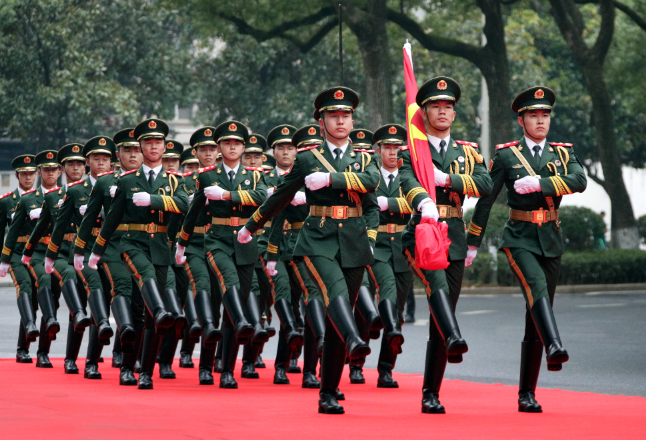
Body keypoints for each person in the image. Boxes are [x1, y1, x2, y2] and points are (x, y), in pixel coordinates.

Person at [237, 86, 380, 414]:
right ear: (321, 122)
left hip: (355, 241)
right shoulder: (306, 158)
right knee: (335, 293)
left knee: (336, 318)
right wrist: (251, 226)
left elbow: (371, 183)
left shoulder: (364, 157)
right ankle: (356, 341)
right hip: (317, 239)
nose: (341, 121)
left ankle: (327, 391)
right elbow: (281, 196)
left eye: (346, 115)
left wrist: (331, 181)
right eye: (334, 115)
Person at [467, 86, 587, 412]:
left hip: (550, 239)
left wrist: (541, 184)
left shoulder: (563, 153)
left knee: (535, 313)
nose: (540, 121)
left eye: (545, 115)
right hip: (518, 239)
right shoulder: (507, 155)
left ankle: (526, 393)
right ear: (521, 120)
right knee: (537, 291)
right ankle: (555, 345)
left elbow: (579, 181)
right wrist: (473, 242)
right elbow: (486, 200)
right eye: (533, 115)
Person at [400, 77, 493, 413]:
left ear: (454, 114)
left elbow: (485, 184)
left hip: (452, 234)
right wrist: (424, 199)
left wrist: (448, 180)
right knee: (436, 287)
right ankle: (455, 337)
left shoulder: (467, 152)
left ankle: (431, 392)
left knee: (444, 311)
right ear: (423, 113)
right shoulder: (411, 150)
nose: (442, 112)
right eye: (435, 106)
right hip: (421, 232)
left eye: (447, 107)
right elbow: (406, 183)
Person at [87, 118, 188, 389]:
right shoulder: (127, 180)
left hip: (161, 247)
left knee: (142, 316)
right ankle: (159, 312)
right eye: (148, 142)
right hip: (131, 244)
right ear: (140, 147)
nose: (153, 147)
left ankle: (142, 371)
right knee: (148, 288)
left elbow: (184, 205)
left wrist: (155, 200)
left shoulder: (175, 181)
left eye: (158, 142)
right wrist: (96, 251)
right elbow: (112, 217)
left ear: (165, 147)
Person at [176, 120, 265, 389]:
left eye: (237, 143)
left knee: (226, 308)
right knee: (225, 293)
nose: (233, 147)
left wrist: (226, 195)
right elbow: (194, 213)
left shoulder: (254, 175)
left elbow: (261, 198)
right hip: (217, 242)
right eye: (227, 143)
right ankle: (206, 365)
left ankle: (226, 369)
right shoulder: (207, 176)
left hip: (246, 243)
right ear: (220, 147)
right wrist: (183, 242)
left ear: (243, 146)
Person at [2, 150, 91, 368]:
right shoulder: (24, 199)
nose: (50, 173)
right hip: (32, 253)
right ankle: (25, 347)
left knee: (58, 301)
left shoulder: (67, 195)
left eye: (54, 169)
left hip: (60, 251)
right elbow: (10, 233)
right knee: (34, 297)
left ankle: (47, 351)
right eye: (46, 170)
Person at [74, 128, 145, 386]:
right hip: (111, 248)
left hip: (143, 250)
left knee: (139, 308)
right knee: (109, 298)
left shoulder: (152, 181)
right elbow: (90, 219)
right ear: (119, 154)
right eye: (128, 150)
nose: (133, 155)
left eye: (137, 149)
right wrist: (80, 250)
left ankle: (128, 363)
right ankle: (92, 362)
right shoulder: (106, 182)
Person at [23, 143, 101, 375]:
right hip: (60, 257)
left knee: (92, 308)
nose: (75, 168)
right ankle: (46, 353)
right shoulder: (55, 196)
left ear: (85, 165)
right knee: (55, 305)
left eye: (79, 163)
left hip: (86, 254)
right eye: (70, 164)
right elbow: (39, 231)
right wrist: (27, 253)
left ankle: (83, 361)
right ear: (63, 168)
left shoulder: (97, 193)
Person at [263, 123, 329, 388]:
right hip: (281, 245)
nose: (287, 152)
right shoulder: (275, 177)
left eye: (293, 148)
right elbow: (275, 217)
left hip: (310, 245)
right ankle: (282, 363)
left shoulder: (324, 173)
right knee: (287, 301)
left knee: (314, 307)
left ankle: (310, 369)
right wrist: (271, 253)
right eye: (283, 148)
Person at [354, 124, 416, 388]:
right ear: (377, 151)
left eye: (397, 147)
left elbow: (418, 202)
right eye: (387, 147)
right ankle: (356, 364)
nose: (393, 152)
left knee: (398, 311)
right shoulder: (370, 175)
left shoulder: (408, 177)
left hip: (402, 246)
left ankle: (386, 369)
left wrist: (387, 204)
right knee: (385, 291)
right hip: (375, 244)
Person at [175, 127, 226, 385]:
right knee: (202, 286)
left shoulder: (224, 178)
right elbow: (182, 206)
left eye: (211, 149)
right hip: (194, 241)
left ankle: (214, 359)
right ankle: (204, 366)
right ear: (195, 153)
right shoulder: (185, 181)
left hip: (219, 242)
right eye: (203, 149)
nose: (208, 153)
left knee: (220, 298)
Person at [344, 128, 383, 385]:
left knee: (363, 301)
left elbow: (371, 209)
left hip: (361, 244)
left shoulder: (368, 173)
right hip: (328, 242)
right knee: (339, 304)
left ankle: (357, 364)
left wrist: (369, 240)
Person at [239, 133, 275, 379]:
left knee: (265, 300)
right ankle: (245, 360)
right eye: (248, 156)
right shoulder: (237, 180)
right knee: (246, 298)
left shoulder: (272, 179)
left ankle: (256, 351)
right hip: (242, 245)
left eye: (257, 156)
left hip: (269, 243)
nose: (253, 160)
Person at [157, 139, 191, 379]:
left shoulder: (183, 186)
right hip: (155, 250)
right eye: (166, 160)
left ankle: (166, 359)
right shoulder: (151, 183)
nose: (170, 164)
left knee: (178, 308)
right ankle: (135, 354)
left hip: (180, 253)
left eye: (173, 161)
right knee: (148, 307)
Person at [0, 155, 38, 363]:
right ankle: (29, 331)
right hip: (16, 252)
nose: (28, 177)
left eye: (31, 173)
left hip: (37, 252)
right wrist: (2, 259)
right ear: (17, 176)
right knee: (24, 286)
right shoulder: (7, 202)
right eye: (24, 174)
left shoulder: (45, 198)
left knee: (35, 300)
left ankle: (27, 347)